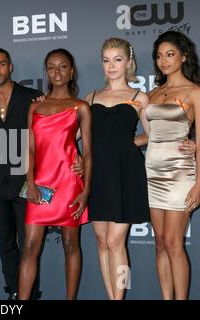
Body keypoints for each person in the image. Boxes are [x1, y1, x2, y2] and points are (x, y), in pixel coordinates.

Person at [0, 48, 83, 299]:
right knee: (6, 242)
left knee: (29, 244)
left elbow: (58, 129)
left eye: (2, 64)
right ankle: (13, 292)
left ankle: (30, 295)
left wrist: (77, 155)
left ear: (10, 67)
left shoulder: (34, 98)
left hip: (29, 182)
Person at [18, 49, 91, 300]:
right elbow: (29, 147)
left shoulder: (80, 107)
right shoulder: (35, 106)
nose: (57, 72)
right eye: (51, 67)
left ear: (71, 71)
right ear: (46, 72)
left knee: (71, 245)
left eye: (62, 67)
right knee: (28, 247)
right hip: (40, 183)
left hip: (69, 183)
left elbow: (88, 152)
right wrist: (31, 183)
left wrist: (86, 191)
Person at [85, 38, 150, 300]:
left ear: (128, 62)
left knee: (116, 242)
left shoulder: (139, 97)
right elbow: (77, 134)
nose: (111, 66)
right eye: (106, 60)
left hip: (125, 172)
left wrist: (129, 143)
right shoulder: (90, 97)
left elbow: (152, 135)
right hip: (97, 173)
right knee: (101, 242)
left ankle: (119, 297)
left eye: (117, 59)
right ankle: (111, 296)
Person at [140, 31, 200, 300]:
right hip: (153, 173)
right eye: (160, 56)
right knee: (160, 243)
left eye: (170, 54)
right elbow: (151, 135)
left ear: (183, 56)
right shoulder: (152, 94)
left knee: (175, 244)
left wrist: (199, 184)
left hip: (180, 173)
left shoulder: (194, 92)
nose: (163, 60)